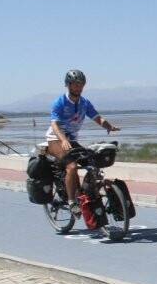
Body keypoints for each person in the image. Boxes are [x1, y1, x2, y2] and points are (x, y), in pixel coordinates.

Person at [44, 69, 120, 214]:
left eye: (81, 84)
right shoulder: (60, 102)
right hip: (55, 139)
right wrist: (63, 139)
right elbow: (55, 124)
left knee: (92, 164)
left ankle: (85, 192)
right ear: (68, 85)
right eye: (75, 84)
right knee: (71, 166)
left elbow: (97, 117)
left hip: (71, 140)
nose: (78, 87)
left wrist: (108, 126)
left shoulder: (84, 103)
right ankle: (72, 202)